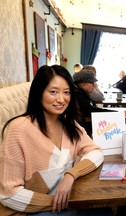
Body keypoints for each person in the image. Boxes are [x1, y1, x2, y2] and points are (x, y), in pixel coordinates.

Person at [0, 65, 112, 216]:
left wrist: (71, 174)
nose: (61, 99)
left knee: (104, 209)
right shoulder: (19, 129)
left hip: (65, 202)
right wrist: (57, 202)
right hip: (33, 209)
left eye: (66, 92)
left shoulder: (68, 123)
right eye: (53, 92)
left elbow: (96, 152)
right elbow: (8, 194)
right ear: (39, 93)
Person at [74, 69, 126, 136]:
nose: (94, 85)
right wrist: (120, 114)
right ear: (83, 84)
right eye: (92, 83)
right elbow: (92, 111)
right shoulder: (78, 95)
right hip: (80, 133)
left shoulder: (80, 93)